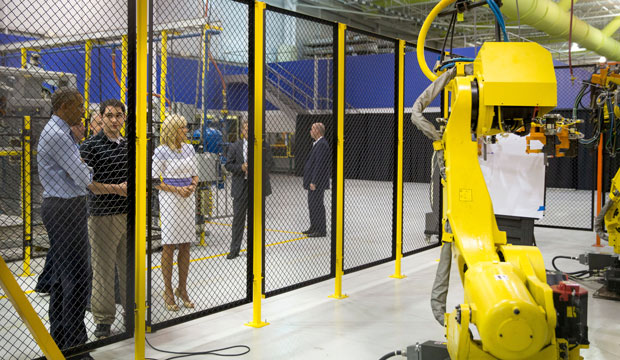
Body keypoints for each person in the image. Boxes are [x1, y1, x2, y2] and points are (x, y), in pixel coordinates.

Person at [37, 88, 94, 358]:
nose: (82, 111)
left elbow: (78, 170)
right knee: (79, 277)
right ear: (64, 106)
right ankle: (75, 344)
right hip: (65, 208)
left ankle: (59, 336)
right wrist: (85, 168)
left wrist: (81, 167)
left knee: (63, 277)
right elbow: (83, 175)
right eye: (78, 106)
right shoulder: (60, 135)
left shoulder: (57, 131)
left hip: (62, 206)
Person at [80, 99, 128, 339]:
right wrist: (117, 188)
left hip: (128, 214)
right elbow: (88, 183)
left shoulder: (129, 146)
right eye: (109, 116)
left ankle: (132, 312)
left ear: (124, 119)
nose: (114, 120)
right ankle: (103, 320)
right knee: (103, 270)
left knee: (129, 268)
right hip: (102, 216)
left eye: (118, 115)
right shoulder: (90, 146)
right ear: (101, 117)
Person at [152, 114, 198, 311]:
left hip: (188, 198)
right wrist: (177, 190)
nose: (186, 131)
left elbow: (195, 173)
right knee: (169, 245)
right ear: (172, 130)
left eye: (185, 128)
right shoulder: (161, 151)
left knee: (185, 244)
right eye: (182, 128)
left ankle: (183, 288)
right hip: (171, 199)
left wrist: (193, 185)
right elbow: (155, 181)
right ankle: (168, 290)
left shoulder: (189, 148)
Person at [224, 120, 273, 260]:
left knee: (257, 219)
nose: (248, 132)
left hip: (257, 186)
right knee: (238, 220)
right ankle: (234, 249)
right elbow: (228, 165)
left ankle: (256, 248)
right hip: (241, 187)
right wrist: (241, 168)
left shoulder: (263, 146)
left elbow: (270, 163)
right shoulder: (235, 147)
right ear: (242, 131)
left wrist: (257, 170)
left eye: (250, 129)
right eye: (245, 129)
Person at [302, 122, 331, 237]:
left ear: (317, 131)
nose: (310, 131)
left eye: (312, 129)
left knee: (317, 204)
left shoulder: (322, 144)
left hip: (317, 182)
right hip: (313, 181)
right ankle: (314, 226)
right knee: (312, 204)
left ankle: (320, 230)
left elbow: (319, 165)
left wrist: (314, 181)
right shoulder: (317, 144)